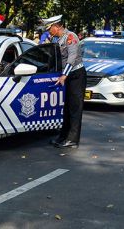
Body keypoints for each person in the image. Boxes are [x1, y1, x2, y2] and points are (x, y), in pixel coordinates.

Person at [42, 15, 85, 149]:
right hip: (67, 76)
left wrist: (64, 75)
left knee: (75, 108)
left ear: (57, 26)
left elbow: (71, 57)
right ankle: (63, 137)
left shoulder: (70, 36)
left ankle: (72, 139)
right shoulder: (57, 39)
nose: (49, 31)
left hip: (76, 75)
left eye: (49, 28)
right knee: (66, 108)